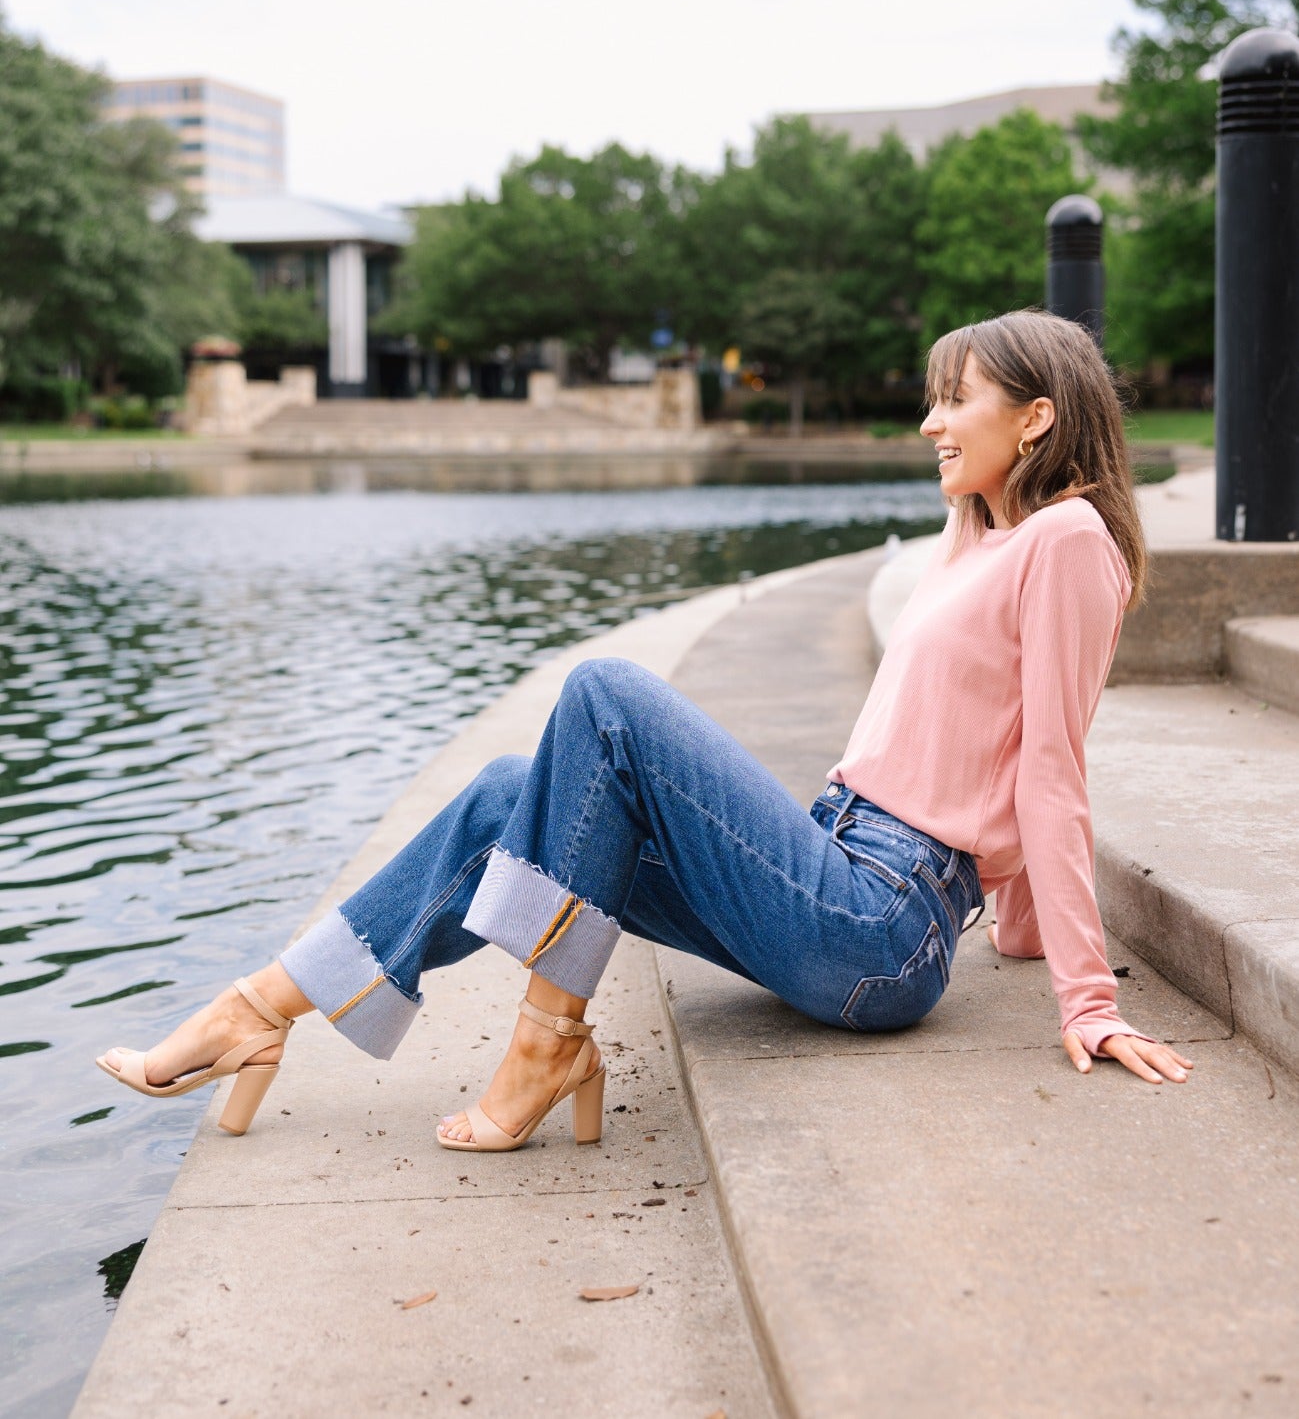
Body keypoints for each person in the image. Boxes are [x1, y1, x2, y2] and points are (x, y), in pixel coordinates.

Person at [95, 309, 1192, 1150]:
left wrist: (1084, 998)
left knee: (609, 694)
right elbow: (976, 736)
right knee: (500, 795)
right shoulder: (983, 536)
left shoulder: (1069, 540)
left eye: (955, 400)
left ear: (1037, 414)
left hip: (877, 921)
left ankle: (546, 1040)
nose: (930, 424)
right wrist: (1017, 919)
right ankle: (257, 1010)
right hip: (838, 864)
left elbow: (1050, 768)